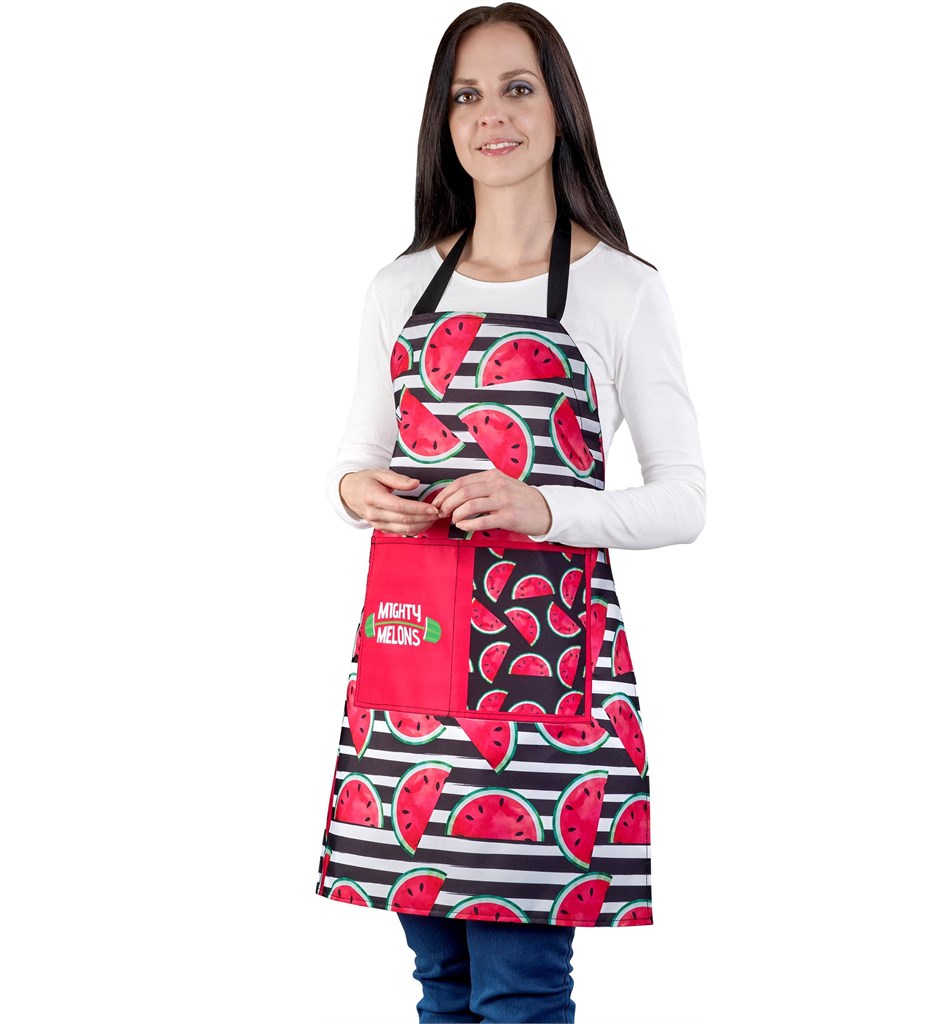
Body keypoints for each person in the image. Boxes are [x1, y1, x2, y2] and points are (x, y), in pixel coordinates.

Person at [314, 4, 706, 1021]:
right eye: (467, 95)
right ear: (443, 122)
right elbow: (354, 463)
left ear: (559, 108)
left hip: (544, 687)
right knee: (441, 983)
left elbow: (683, 501)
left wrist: (543, 509)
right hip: (410, 667)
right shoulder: (399, 287)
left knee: (521, 988)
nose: (492, 114)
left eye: (517, 88)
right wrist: (361, 495)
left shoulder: (621, 289)